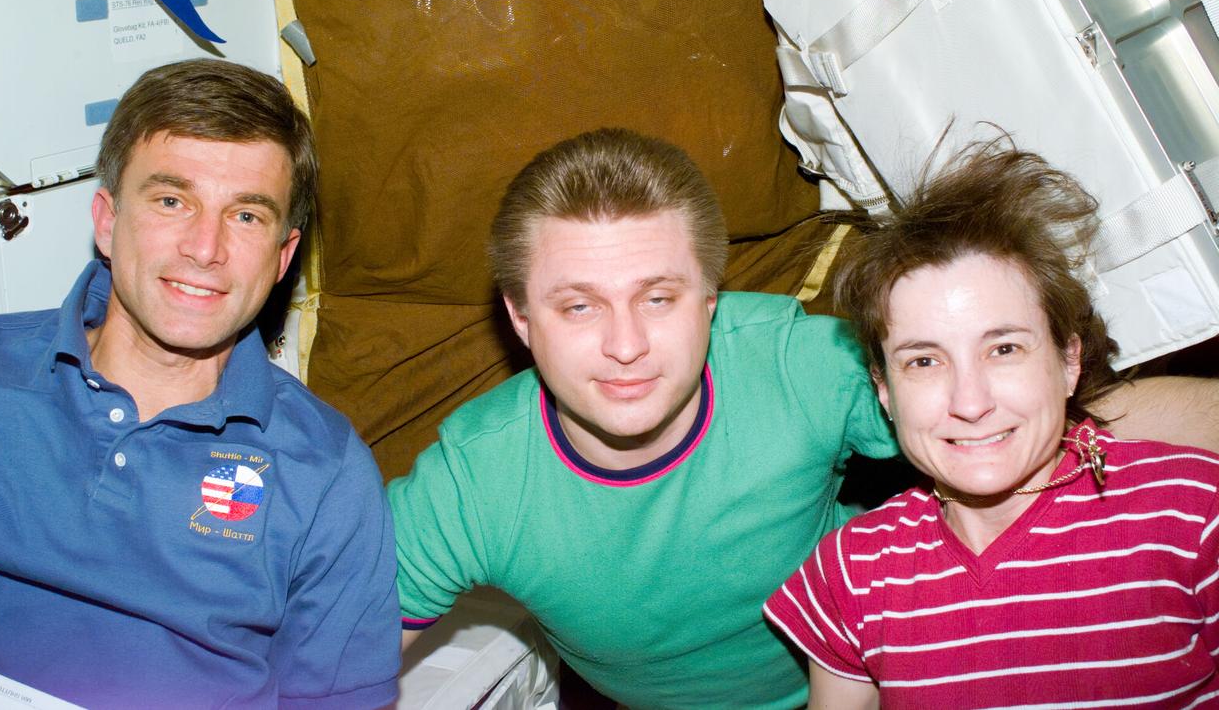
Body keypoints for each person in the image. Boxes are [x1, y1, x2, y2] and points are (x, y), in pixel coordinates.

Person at [389, 128, 1217, 709]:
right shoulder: (472, 480)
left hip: (892, 671)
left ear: (711, 301)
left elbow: (1009, 409)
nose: (627, 345)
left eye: (659, 296)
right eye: (578, 306)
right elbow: (341, 661)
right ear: (521, 317)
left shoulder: (795, 362)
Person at [0, 60, 400, 707]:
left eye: (245, 216)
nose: (204, 246)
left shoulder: (323, 471)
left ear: (282, 257)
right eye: (171, 200)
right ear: (106, 220)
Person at [764, 144, 1219, 707]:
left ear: (1069, 360)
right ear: (883, 389)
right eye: (924, 361)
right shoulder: (853, 569)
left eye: (1003, 348)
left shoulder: (1195, 511)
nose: (970, 402)